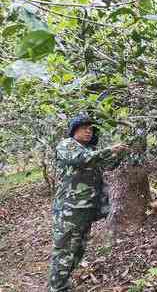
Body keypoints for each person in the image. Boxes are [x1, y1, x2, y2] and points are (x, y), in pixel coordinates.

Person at [48, 112, 130, 292]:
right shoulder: (67, 145)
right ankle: (57, 288)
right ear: (74, 130)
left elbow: (107, 165)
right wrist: (110, 150)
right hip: (69, 212)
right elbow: (80, 159)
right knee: (64, 252)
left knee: (77, 251)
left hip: (85, 210)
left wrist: (120, 153)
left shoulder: (91, 150)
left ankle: (64, 283)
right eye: (84, 128)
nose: (89, 131)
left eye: (91, 129)